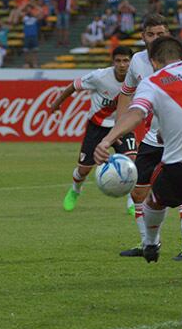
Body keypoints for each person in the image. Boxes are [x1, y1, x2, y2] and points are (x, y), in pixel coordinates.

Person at [94, 36, 182, 329]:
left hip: (179, 166)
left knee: (153, 200)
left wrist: (108, 138)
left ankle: (151, 241)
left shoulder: (153, 82)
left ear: (154, 62)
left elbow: (136, 112)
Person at [115, 14, 182, 262]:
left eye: (160, 34)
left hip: (180, 137)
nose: (155, 38)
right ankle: (149, 243)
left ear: (168, 35)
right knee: (137, 192)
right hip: (152, 139)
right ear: (143, 37)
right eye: (150, 34)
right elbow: (126, 94)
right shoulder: (137, 63)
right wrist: (121, 128)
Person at [48, 46, 137, 213]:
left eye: (126, 60)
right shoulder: (100, 76)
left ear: (131, 62)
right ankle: (75, 190)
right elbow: (74, 86)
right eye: (118, 61)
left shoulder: (137, 79)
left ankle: (131, 200)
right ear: (113, 62)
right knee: (83, 169)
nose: (122, 64)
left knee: (132, 161)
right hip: (97, 127)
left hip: (122, 126)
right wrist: (57, 102)